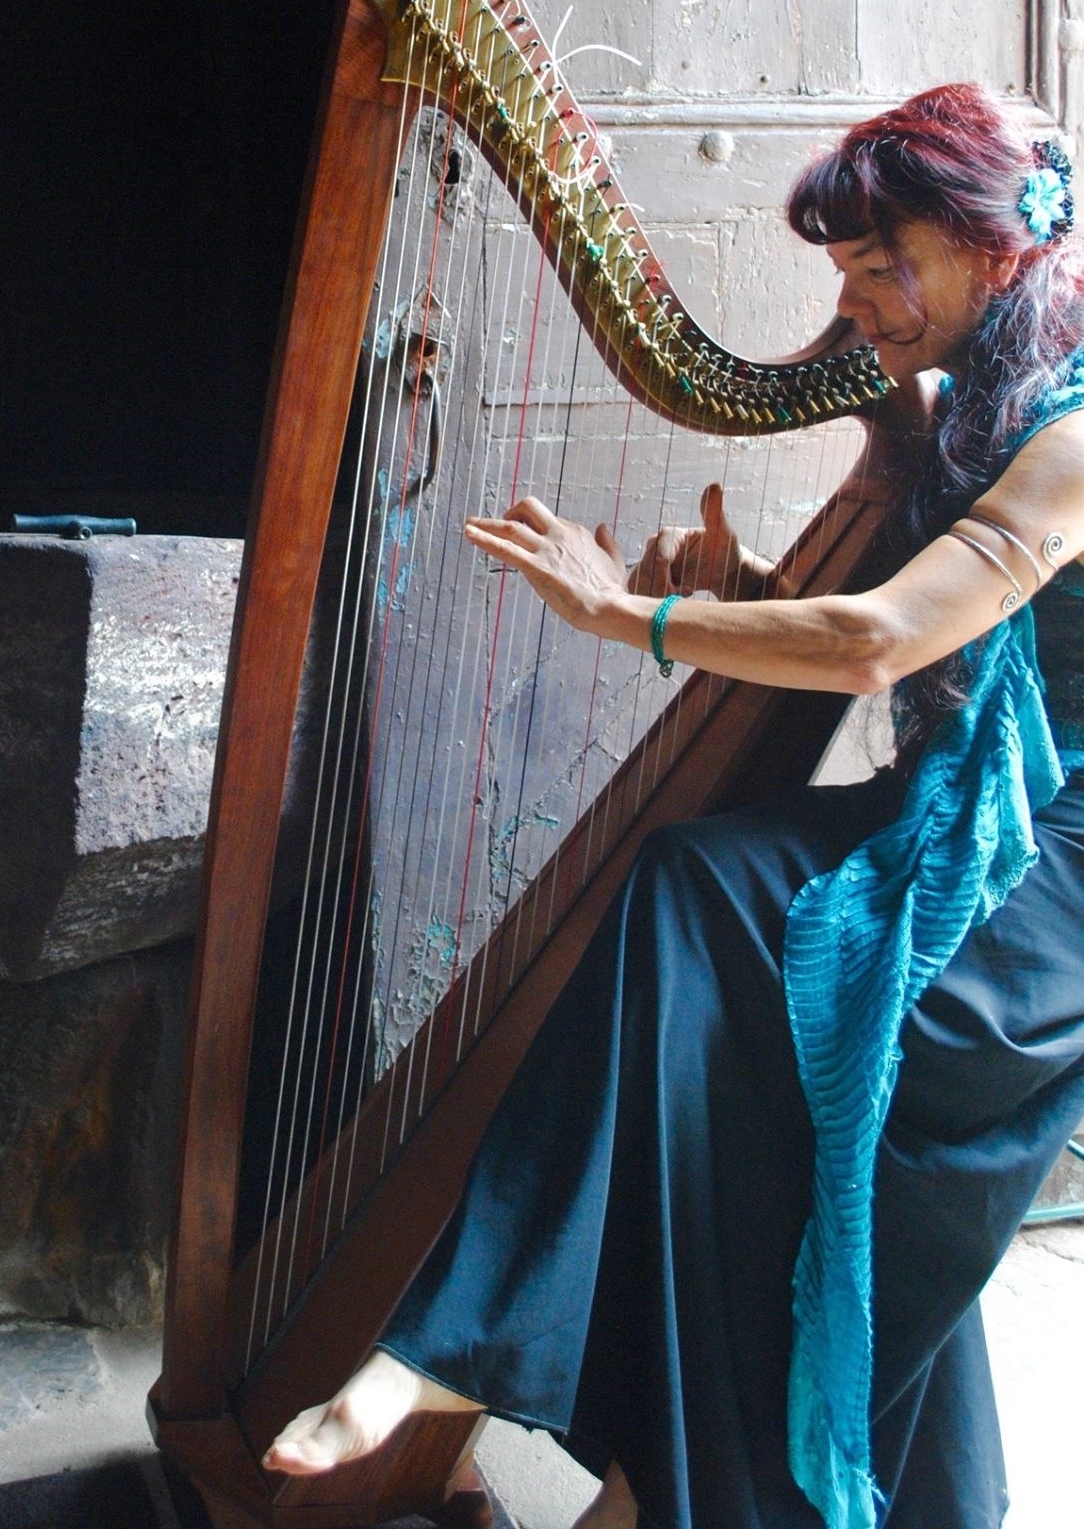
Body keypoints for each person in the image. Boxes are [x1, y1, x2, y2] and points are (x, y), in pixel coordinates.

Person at [262, 86, 1084, 1529]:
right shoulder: (966, 410)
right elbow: (893, 626)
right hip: (941, 820)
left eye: (884, 264)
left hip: (1041, 896)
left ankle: (460, 1355)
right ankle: (632, 1472)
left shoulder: (1072, 436)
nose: (858, 303)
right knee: (713, 1046)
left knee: (696, 906)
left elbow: (882, 641)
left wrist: (626, 616)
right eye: (840, 271)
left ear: (996, 250)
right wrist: (739, 596)